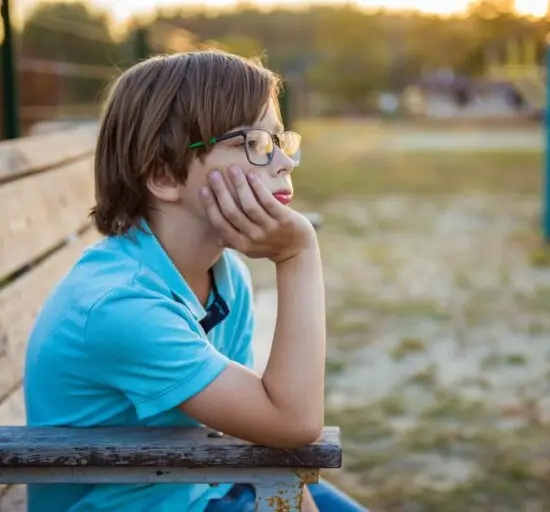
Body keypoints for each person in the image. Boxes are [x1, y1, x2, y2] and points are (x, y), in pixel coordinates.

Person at [23, 50, 368, 512]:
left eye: (281, 140)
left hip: (208, 484)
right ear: (164, 175)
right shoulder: (122, 306)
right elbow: (294, 421)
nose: (285, 161)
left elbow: (266, 433)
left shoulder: (226, 278)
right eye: (255, 143)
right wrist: (296, 255)